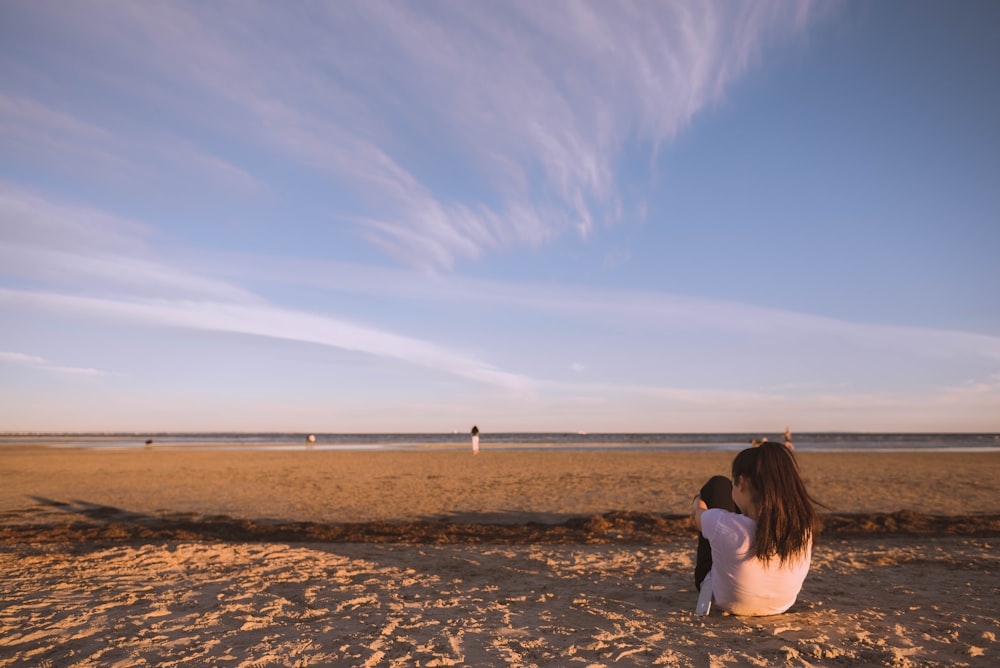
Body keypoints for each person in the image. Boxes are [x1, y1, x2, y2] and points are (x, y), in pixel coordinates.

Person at [691, 442, 820, 616]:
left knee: (718, 485)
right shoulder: (804, 526)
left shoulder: (722, 522)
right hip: (780, 605)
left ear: (741, 482)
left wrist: (698, 499)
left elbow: (698, 517)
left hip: (727, 602)